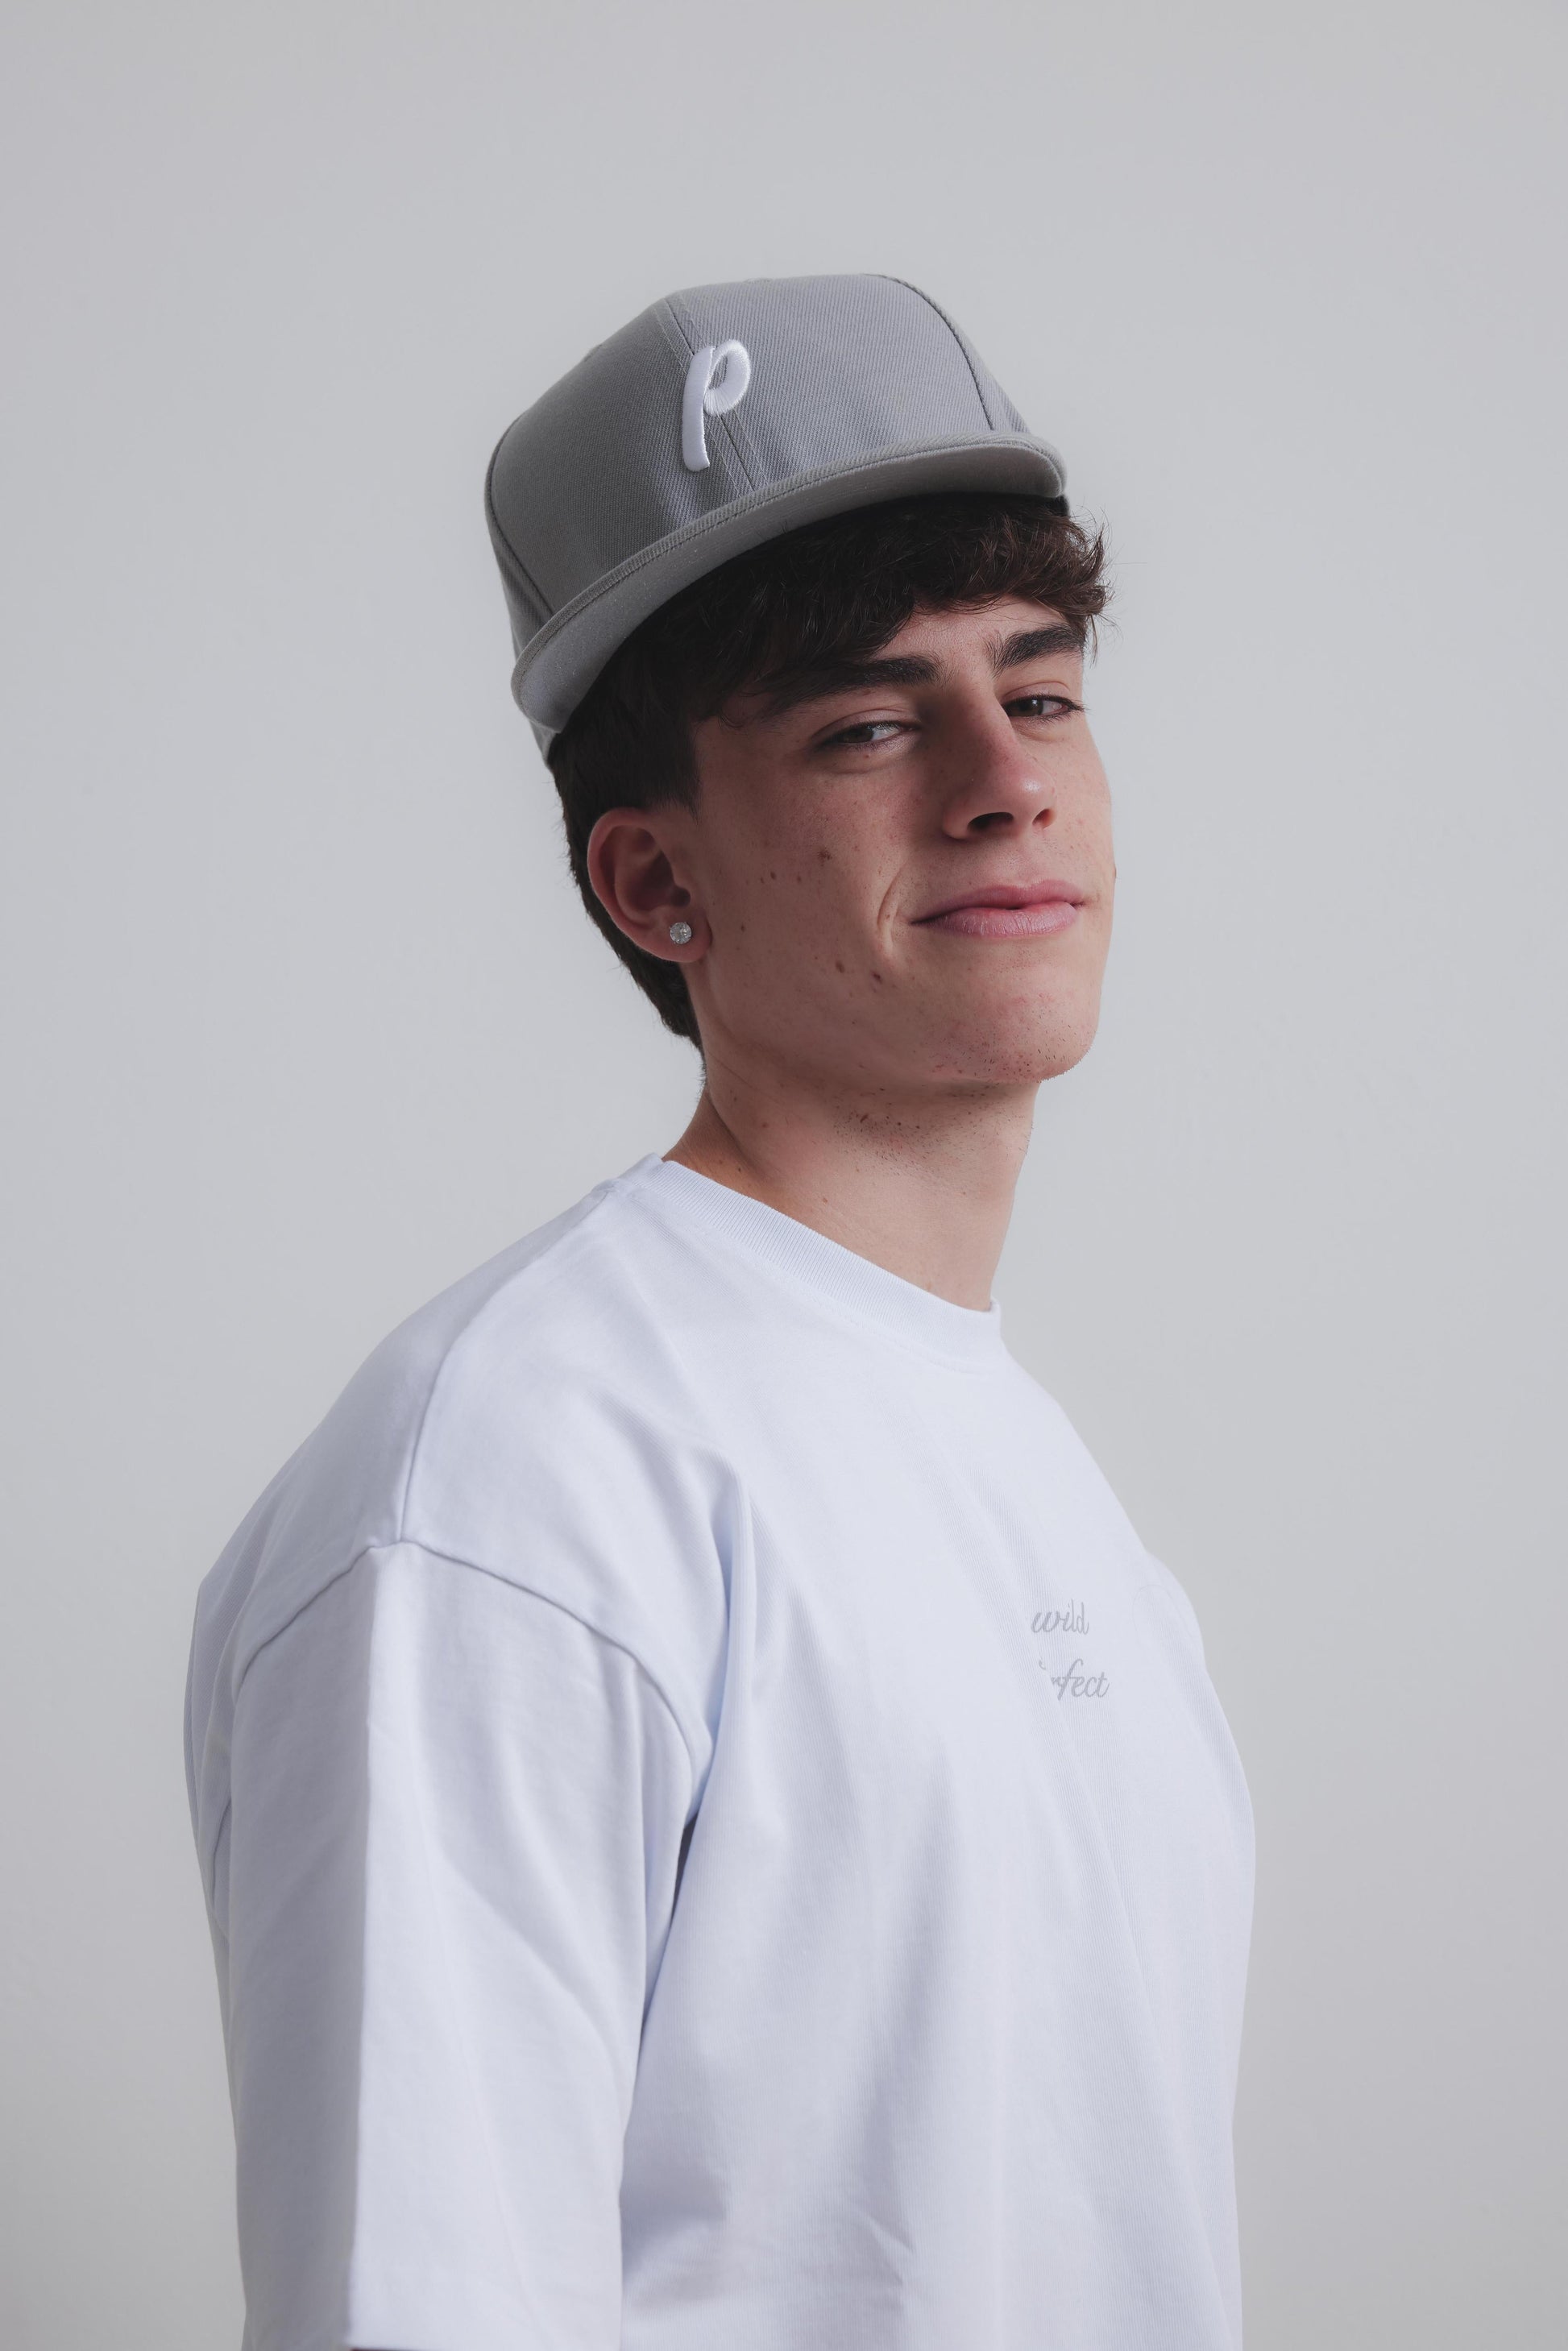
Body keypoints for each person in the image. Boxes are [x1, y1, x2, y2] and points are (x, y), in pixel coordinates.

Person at [185, 272, 1255, 2351]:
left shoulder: (1046, 1490)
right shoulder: (504, 1485)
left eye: (1041, 692)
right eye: (869, 723)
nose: (1003, 780)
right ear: (653, 884)